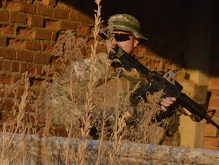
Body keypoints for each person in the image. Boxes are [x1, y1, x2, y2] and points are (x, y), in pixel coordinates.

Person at [44, 13, 178, 144]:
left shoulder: (147, 78)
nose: (113, 41)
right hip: (91, 149)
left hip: (132, 152)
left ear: (136, 41)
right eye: (109, 36)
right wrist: (88, 118)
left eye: (120, 37)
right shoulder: (88, 69)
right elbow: (52, 101)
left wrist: (163, 112)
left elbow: (169, 130)